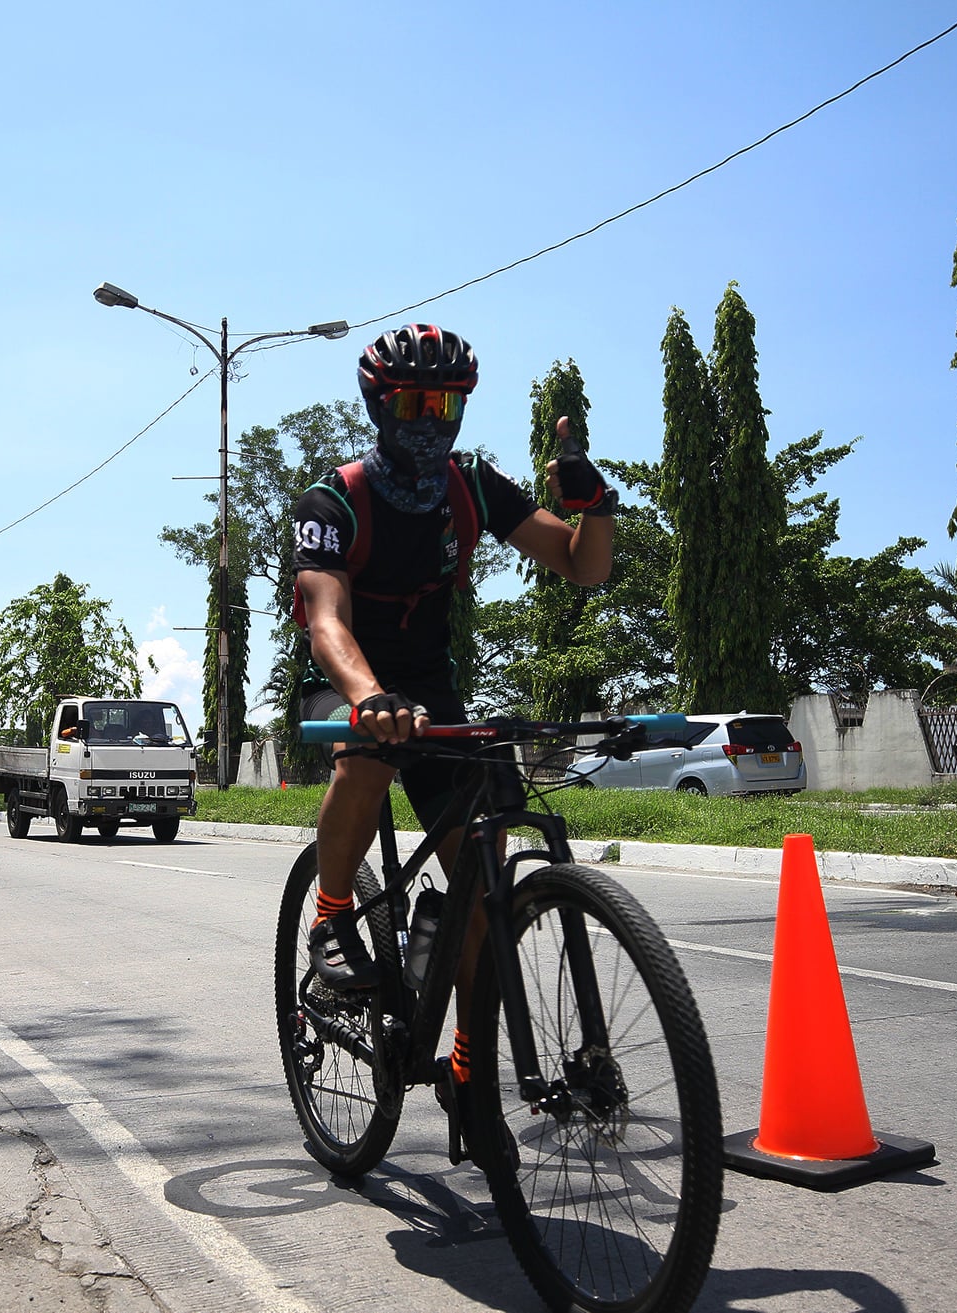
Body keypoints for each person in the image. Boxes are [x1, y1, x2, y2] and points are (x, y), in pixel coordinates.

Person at [291, 323, 617, 1137]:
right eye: (413, 401)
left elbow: (586, 565)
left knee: (480, 885)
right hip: (347, 682)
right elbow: (326, 619)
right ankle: (333, 914)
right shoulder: (332, 500)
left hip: (432, 692)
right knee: (365, 758)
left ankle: (469, 1068)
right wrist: (367, 696)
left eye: (446, 402)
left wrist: (592, 497)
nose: (431, 419)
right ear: (379, 402)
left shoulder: (472, 485)